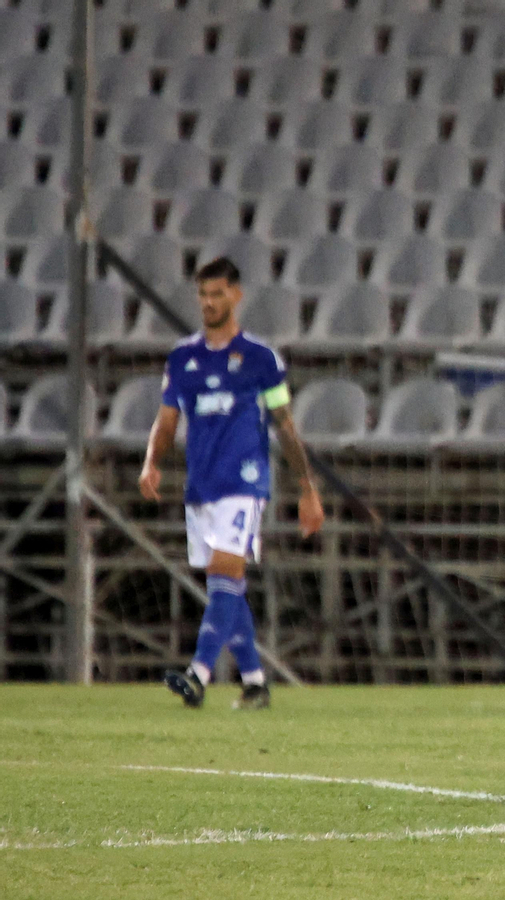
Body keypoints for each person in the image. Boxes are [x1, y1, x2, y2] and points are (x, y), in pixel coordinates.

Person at [140, 257, 324, 710]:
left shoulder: (262, 360)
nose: (208, 303)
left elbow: (284, 425)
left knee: (226, 571)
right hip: (200, 486)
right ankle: (256, 683)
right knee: (227, 585)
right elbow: (167, 421)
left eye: (218, 294)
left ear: (236, 295)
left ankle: (197, 675)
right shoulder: (183, 359)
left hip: (244, 480)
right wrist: (151, 463)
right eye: (203, 295)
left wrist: (307, 487)